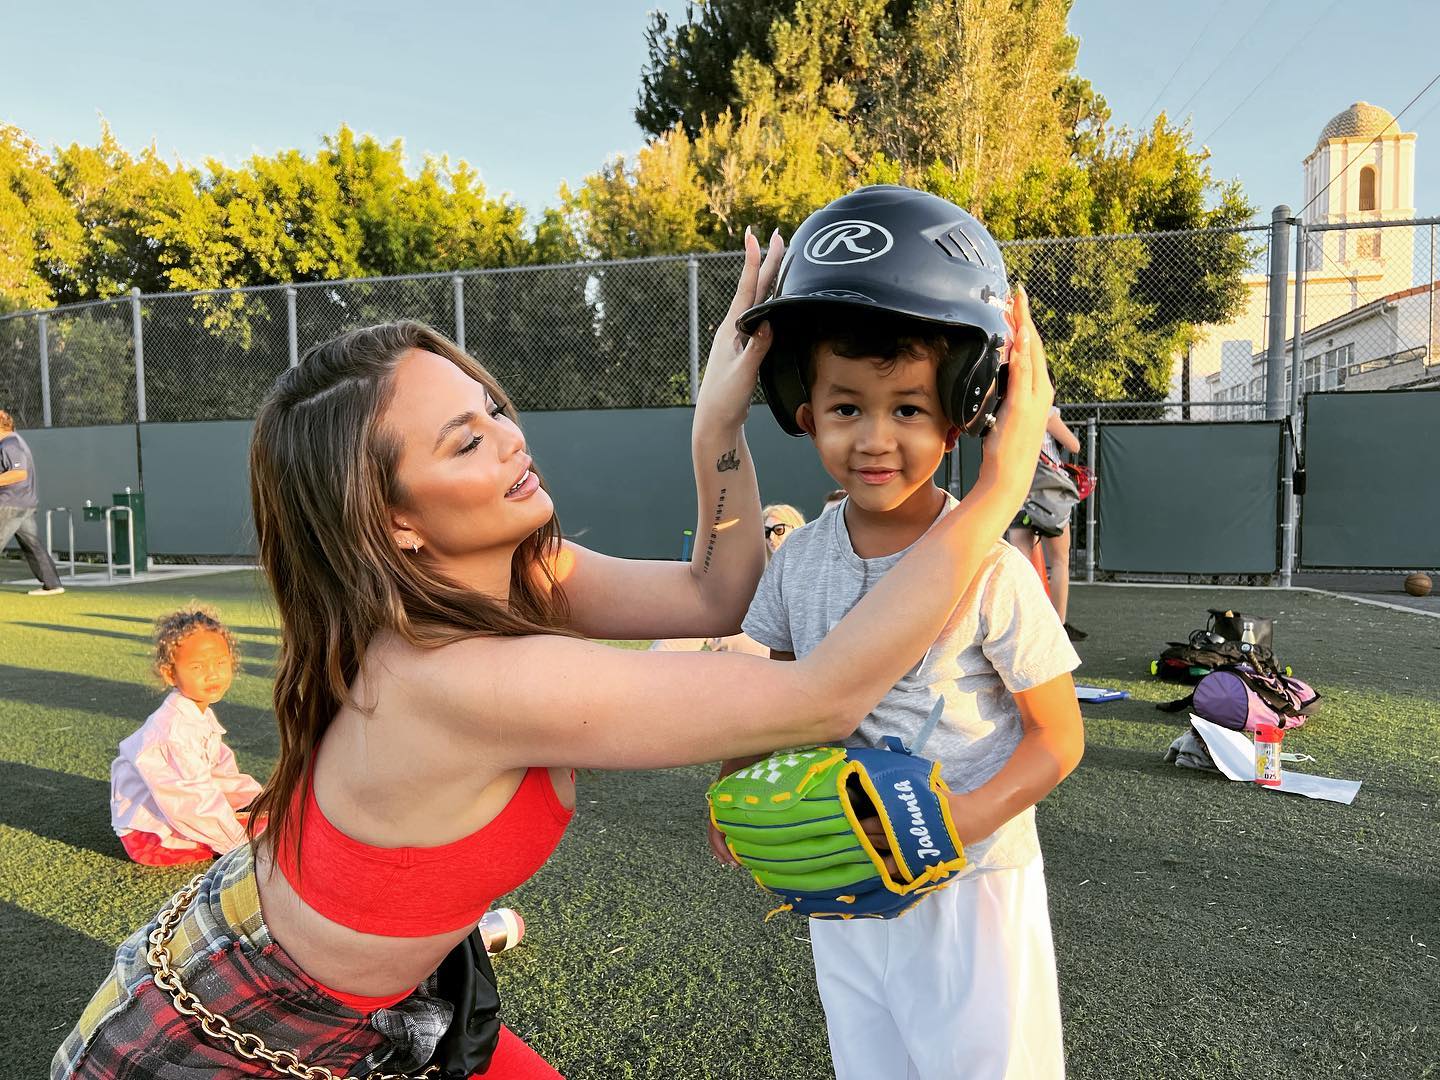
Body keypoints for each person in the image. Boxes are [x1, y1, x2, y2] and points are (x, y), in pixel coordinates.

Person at [54, 226, 1054, 1080]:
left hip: (400, 995)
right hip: (240, 1036)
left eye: (490, 408)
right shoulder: (463, 678)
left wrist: (717, 421)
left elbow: (718, 586)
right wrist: (1000, 486)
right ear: (394, 519)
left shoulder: (521, 575)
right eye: (462, 443)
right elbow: (826, 696)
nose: (508, 437)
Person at [716, 186, 1084, 1079]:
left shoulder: (990, 566)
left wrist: (949, 829)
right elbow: (778, 700)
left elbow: (1058, 739)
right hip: (845, 877)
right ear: (804, 407)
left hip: (974, 888)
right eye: (847, 407)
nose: (874, 439)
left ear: (961, 412)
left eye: (909, 409)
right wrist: (738, 783)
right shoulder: (798, 561)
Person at [109, 605, 262, 865]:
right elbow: (189, 802)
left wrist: (255, 798)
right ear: (170, 673)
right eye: (198, 667)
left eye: (221, 662)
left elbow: (218, 772)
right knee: (272, 831)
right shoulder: (174, 732)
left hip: (173, 811)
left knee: (274, 816)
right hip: (150, 835)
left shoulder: (197, 714)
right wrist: (237, 843)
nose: (213, 673)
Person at [651, 501, 806, 655]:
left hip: (786, 652)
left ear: (796, 527)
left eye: (778, 529)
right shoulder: (763, 570)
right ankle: (656, 663)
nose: (771, 537)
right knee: (703, 612)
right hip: (765, 643)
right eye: (766, 532)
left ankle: (654, 665)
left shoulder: (807, 569)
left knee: (707, 616)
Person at [1007, 406, 1086, 640]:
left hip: (1019, 492)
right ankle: (1058, 625)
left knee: (1020, 565)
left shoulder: (1008, 411)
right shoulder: (1046, 411)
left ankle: (1023, 625)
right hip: (1049, 496)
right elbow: (1074, 445)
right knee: (1060, 561)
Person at [0, 408, 65, 595]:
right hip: (23, 503)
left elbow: (18, 473)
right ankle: (52, 584)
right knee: (33, 546)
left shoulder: (10, 443)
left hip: (11, 504)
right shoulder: (12, 442)